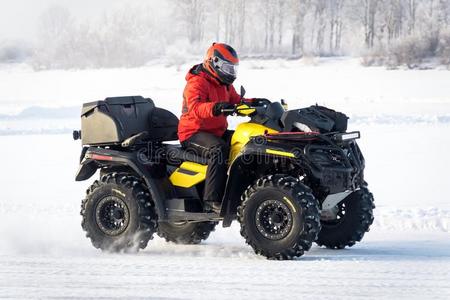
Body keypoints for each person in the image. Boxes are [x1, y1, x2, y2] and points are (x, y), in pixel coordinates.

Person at [177, 42, 266, 212]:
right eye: (228, 68)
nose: (231, 73)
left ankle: (238, 189)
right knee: (218, 150)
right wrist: (217, 107)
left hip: (216, 131)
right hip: (193, 132)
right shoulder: (197, 82)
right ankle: (212, 200)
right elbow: (195, 108)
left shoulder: (223, 83)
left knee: (245, 142)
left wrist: (255, 103)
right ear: (214, 62)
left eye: (233, 69)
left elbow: (236, 101)